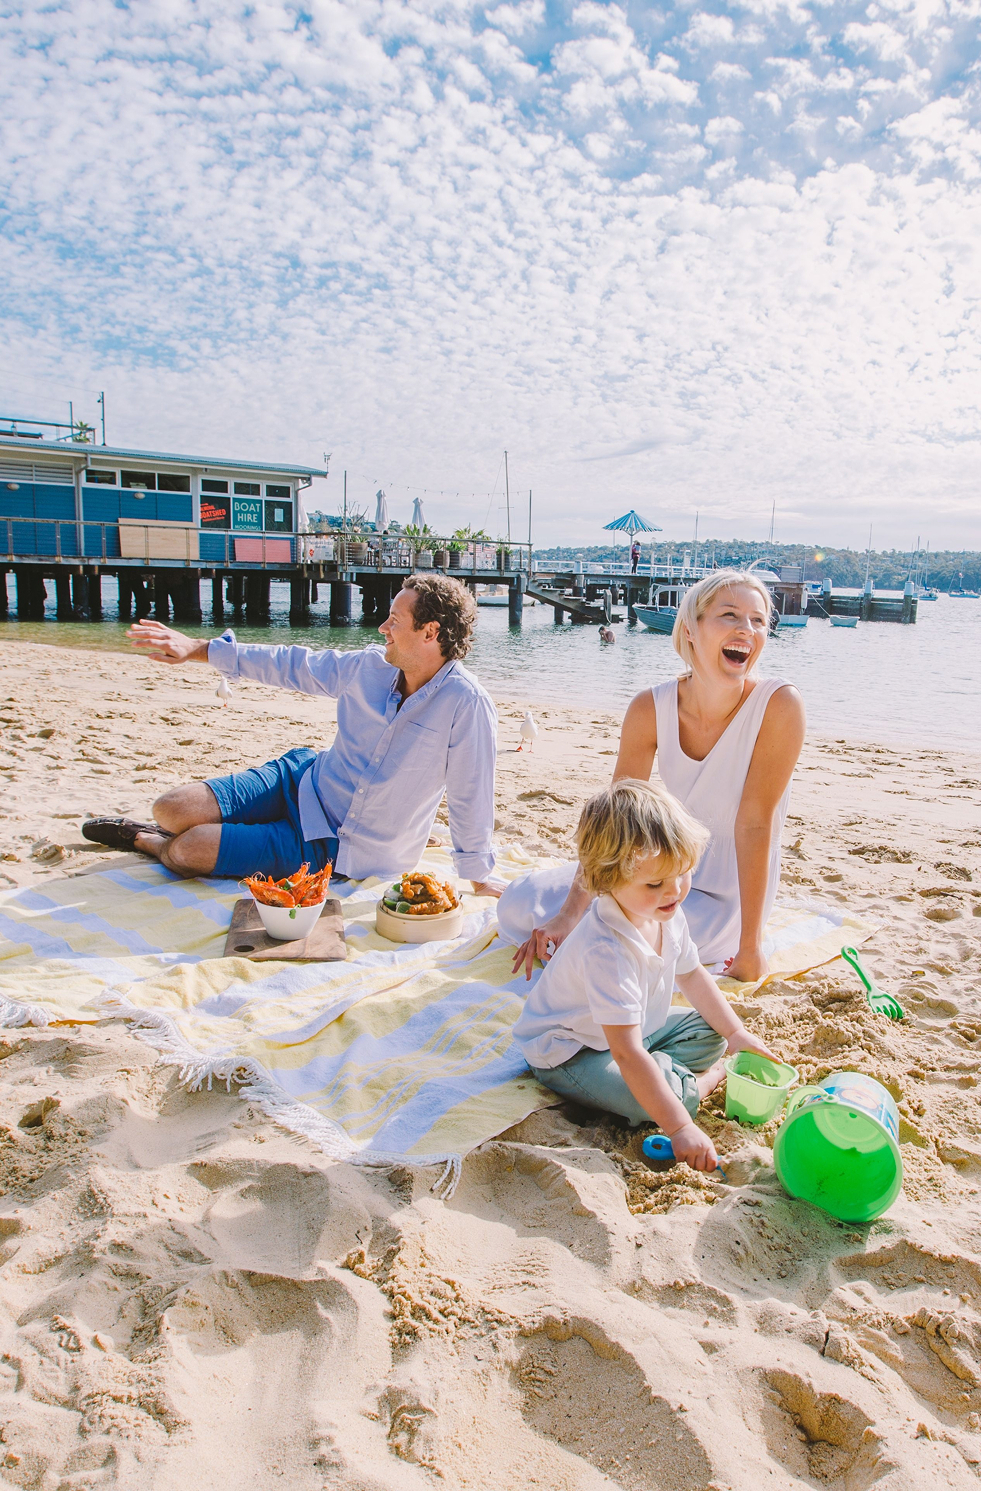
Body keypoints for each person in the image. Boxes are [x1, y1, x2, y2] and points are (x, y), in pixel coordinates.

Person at [82, 574, 503, 896]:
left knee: (186, 851)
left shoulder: (466, 705)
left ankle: (144, 841)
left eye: (395, 621)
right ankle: (174, 827)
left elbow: (471, 795)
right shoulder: (368, 667)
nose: (382, 628)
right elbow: (292, 664)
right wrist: (196, 648)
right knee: (170, 807)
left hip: (337, 847)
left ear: (430, 632)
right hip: (302, 781)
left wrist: (477, 877)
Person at [499, 569, 805, 981]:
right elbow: (615, 818)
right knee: (517, 905)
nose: (746, 629)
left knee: (621, 943)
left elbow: (754, 823)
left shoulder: (779, 705)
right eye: (730, 615)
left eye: (758, 620)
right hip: (656, 875)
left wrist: (751, 947)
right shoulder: (650, 707)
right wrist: (571, 911)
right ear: (691, 628)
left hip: (725, 900)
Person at [513, 779, 778, 1171]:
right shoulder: (607, 949)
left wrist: (736, 1033)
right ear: (606, 880)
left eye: (682, 874)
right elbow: (626, 1052)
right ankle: (693, 1086)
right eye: (655, 883)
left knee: (710, 1033)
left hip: (633, 1030)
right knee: (672, 1104)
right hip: (571, 1051)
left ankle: (664, 1078)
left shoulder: (666, 912)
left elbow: (693, 977)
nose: (674, 892)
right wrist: (681, 1126)